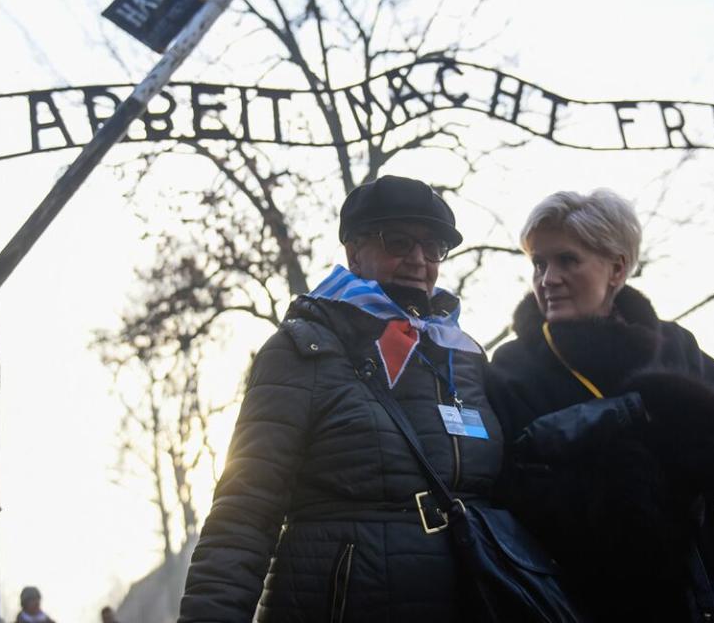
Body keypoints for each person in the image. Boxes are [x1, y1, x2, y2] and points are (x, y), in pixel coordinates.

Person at [179, 176, 504, 622]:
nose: (418, 260)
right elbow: (245, 510)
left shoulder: (465, 357)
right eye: (399, 242)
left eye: (433, 248)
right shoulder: (301, 350)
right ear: (354, 251)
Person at [488, 189, 714, 621]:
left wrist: (650, 422)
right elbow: (511, 498)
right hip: (578, 603)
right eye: (538, 264)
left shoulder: (675, 346)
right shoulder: (511, 368)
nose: (548, 278)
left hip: (708, 591)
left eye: (567, 260)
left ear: (616, 268)